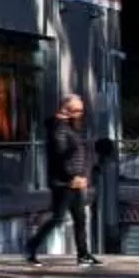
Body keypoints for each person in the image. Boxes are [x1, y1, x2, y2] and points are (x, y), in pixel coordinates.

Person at [26, 93, 99, 267]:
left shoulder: (70, 127)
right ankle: (32, 246)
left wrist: (83, 176)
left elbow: (78, 152)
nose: (80, 114)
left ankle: (83, 254)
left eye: (81, 110)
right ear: (67, 109)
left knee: (80, 218)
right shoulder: (58, 128)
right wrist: (72, 176)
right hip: (63, 182)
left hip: (75, 181)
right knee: (58, 217)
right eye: (77, 110)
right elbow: (61, 156)